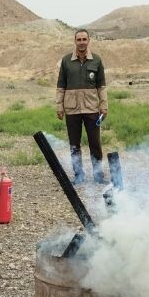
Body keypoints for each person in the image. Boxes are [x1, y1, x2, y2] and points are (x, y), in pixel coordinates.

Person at [56, 29, 108, 184]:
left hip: (92, 109)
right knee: (74, 144)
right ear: (74, 41)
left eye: (84, 39)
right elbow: (60, 86)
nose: (82, 42)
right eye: (79, 39)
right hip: (72, 110)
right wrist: (59, 106)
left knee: (95, 144)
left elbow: (102, 86)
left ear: (89, 40)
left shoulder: (96, 60)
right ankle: (79, 176)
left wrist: (104, 106)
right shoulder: (66, 61)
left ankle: (98, 176)